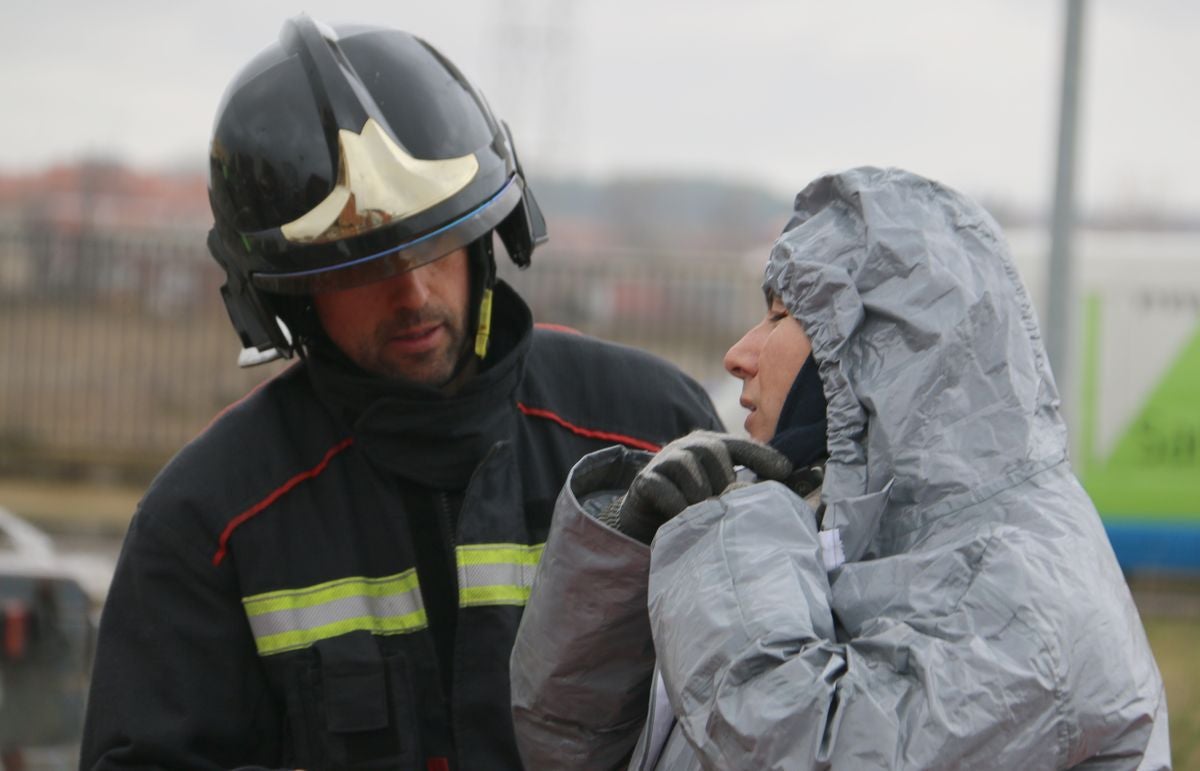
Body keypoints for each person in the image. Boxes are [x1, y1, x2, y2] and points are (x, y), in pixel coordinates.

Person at [80, 15, 722, 771]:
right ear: (291, 298)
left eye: (435, 244)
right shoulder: (211, 520)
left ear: (489, 237)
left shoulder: (649, 433)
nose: (412, 293)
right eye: (359, 267)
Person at [511, 166, 1171, 769]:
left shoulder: (1020, 591)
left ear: (877, 349)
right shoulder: (824, 523)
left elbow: (803, 750)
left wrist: (726, 539)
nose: (739, 353)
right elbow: (562, 747)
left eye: (778, 314)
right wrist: (620, 562)